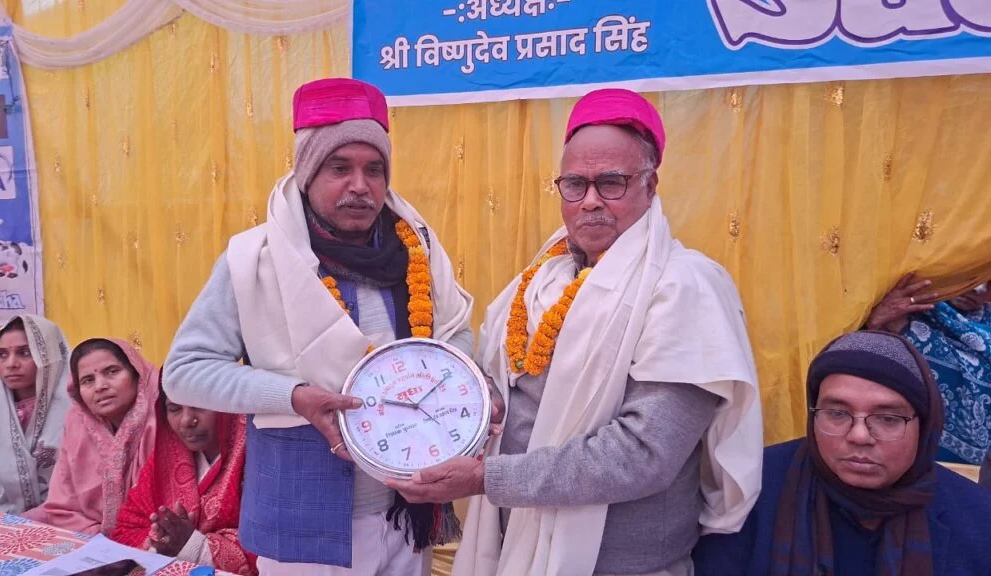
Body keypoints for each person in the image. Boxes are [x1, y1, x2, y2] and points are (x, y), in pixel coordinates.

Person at [388, 88, 763, 576]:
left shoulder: (684, 288)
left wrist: (486, 478)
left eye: (611, 183)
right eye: (574, 184)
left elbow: (644, 454)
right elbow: (505, 384)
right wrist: (481, 400)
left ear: (650, 185)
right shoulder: (540, 280)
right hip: (516, 545)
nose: (589, 202)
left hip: (624, 564)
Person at [163, 78, 473, 576]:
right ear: (307, 173)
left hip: (406, 510)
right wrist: (293, 396)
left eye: (374, 169)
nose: (360, 185)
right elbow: (185, 372)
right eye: (339, 168)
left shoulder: (419, 249)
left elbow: (453, 337)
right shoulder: (255, 259)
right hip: (301, 523)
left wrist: (471, 390)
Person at [693, 330, 991, 575]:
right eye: (836, 413)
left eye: (888, 418)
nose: (859, 436)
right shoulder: (747, 491)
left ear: (924, 426)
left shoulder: (978, 520)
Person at [112, 387, 254, 575]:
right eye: (174, 409)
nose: (186, 421)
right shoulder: (164, 460)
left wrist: (194, 546)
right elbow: (126, 529)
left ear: (227, 404)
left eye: (200, 406)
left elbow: (269, 548)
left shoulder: (260, 461)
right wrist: (162, 540)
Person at [34, 338, 160, 534]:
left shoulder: (163, 416)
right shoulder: (77, 422)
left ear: (137, 374)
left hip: (156, 536)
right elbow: (61, 505)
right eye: (88, 380)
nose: (100, 386)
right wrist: (96, 538)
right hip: (91, 536)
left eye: (112, 371)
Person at [866, 276, 991, 465]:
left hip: (975, 473)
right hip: (890, 455)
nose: (978, 288)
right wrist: (872, 325)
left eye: (989, 282)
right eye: (972, 275)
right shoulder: (894, 305)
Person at [0, 315, 71, 514]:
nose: (11, 364)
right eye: (1, 354)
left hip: (63, 518)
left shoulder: (76, 412)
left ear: (50, 355)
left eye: (25, 353)